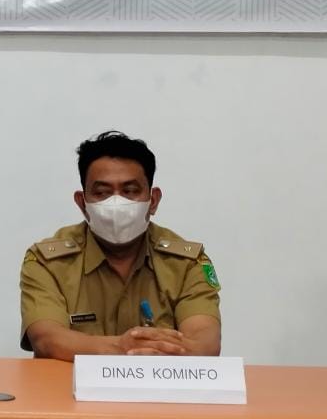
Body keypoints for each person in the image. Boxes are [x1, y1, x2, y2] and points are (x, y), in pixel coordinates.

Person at [19, 131, 222, 361]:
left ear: (153, 201)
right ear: (82, 203)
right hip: (67, 393)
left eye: (130, 191)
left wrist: (104, 348)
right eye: (102, 193)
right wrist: (122, 347)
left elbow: (205, 343)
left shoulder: (187, 263)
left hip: (160, 394)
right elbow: (47, 340)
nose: (116, 203)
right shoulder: (47, 262)